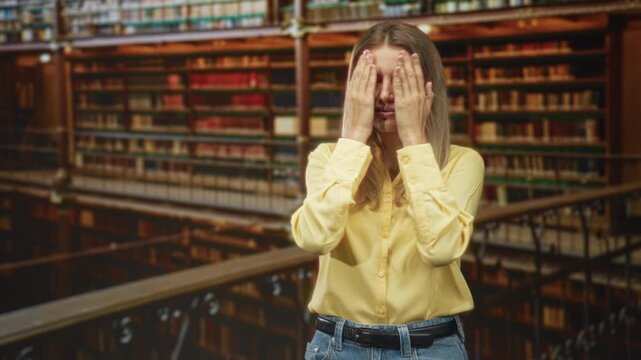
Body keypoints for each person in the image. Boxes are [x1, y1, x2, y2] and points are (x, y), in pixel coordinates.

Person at [290, 20, 484, 360]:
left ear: (428, 87)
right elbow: (314, 238)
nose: (383, 95)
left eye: (400, 81)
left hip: (431, 348)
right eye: (373, 80)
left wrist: (414, 140)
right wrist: (353, 138)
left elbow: (441, 249)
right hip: (338, 347)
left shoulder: (462, 163)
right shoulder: (328, 159)